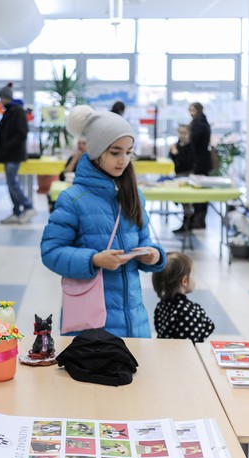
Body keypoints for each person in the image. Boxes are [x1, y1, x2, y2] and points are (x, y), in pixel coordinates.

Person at [41, 106, 166, 338]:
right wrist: (94, 259)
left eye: (129, 152)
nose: (124, 160)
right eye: (115, 152)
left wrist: (154, 255)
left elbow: (145, 240)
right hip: (92, 326)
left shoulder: (134, 195)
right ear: (96, 151)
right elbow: (50, 252)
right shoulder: (73, 199)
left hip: (134, 321)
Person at [0, 82, 35, 224]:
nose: (0, 100)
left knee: (12, 183)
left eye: (1, 97)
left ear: (5, 97)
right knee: (10, 183)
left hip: (14, 155)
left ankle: (28, 206)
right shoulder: (9, 111)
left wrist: (7, 147)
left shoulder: (16, 111)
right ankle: (17, 212)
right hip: (8, 155)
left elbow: (22, 133)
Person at [152, 252, 215, 343]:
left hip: (164, 350)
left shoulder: (161, 305)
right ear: (184, 281)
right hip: (183, 352)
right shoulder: (188, 311)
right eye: (193, 274)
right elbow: (192, 344)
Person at [188, 102, 212, 229]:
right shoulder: (204, 123)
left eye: (193, 110)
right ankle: (199, 218)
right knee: (202, 191)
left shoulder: (198, 125)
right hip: (203, 161)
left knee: (199, 191)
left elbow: (193, 143)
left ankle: (198, 219)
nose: (191, 113)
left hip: (199, 162)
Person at [168, 124, 195, 234]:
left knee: (186, 202)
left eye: (184, 133)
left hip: (187, 176)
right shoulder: (177, 145)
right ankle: (186, 223)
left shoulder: (191, 147)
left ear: (189, 134)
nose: (182, 135)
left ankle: (187, 224)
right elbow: (175, 161)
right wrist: (173, 153)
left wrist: (176, 153)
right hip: (178, 175)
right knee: (179, 199)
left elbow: (187, 163)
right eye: (180, 133)